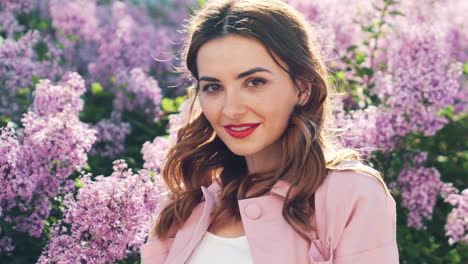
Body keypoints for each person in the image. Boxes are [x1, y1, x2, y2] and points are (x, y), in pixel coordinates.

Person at [140, 0, 399, 263]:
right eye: (213, 87)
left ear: (302, 88)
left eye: (254, 82)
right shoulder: (188, 201)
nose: (232, 110)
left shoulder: (352, 193)